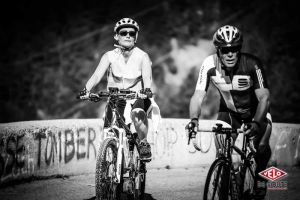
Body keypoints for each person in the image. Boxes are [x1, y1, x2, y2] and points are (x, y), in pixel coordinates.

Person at [187, 25, 272, 199]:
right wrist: (194, 120)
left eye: (234, 49)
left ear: (239, 48)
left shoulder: (252, 63)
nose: (230, 54)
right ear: (218, 50)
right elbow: (197, 96)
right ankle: (226, 187)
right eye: (225, 50)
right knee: (223, 153)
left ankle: (261, 182)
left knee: (261, 148)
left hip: (256, 113)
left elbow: (264, 98)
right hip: (229, 113)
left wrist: (256, 122)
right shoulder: (210, 64)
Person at [79, 18, 157, 161]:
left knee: (137, 114)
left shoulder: (142, 56)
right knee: (108, 131)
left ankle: (144, 142)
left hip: (137, 97)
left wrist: (146, 90)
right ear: (116, 36)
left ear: (136, 37)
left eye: (132, 33)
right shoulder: (109, 56)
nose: (128, 35)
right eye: (123, 32)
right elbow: (96, 75)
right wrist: (86, 90)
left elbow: (147, 78)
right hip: (116, 98)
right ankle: (111, 165)